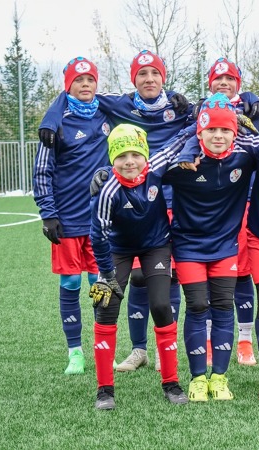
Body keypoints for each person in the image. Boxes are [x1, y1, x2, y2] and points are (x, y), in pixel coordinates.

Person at [40, 50, 192, 373]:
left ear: (163, 77)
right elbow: (73, 95)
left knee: (169, 279)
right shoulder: (118, 106)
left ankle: (166, 351)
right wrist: (50, 117)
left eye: (155, 73)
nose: (149, 79)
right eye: (142, 74)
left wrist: (191, 105)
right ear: (133, 79)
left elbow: (207, 119)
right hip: (118, 204)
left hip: (170, 203)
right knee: (127, 279)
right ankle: (133, 350)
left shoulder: (177, 107)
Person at [157, 93, 256, 401]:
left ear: (234, 133)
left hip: (225, 247)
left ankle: (220, 378)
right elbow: (149, 167)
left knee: (224, 306)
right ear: (200, 132)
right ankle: (198, 378)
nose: (218, 135)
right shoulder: (182, 164)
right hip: (188, 247)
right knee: (198, 306)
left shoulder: (244, 159)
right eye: (211, 129)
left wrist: (243, 126)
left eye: (225, 130)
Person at [88, 123, 188, 410]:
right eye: (121, 156)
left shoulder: (156, 167)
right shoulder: (108, 191)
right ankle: (104, 390)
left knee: (161, 305)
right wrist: (106, 275)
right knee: (105, 306)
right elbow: (98, 236)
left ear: (145, 155)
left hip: (156, 245)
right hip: (118, 250)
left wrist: (202, 115)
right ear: (112, 160)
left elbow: (181, 139)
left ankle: (171, 383)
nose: (129, 161)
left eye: (135, 154)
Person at [33, 56, 109, 375]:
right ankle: (75, 352)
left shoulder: (107, 112)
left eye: (90, 79)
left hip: (100, 220)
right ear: (68, 86)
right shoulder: (56, 124)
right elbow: (41, 170)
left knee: (99, 283)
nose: (85, 84)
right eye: (78, 80)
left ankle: (102, 347)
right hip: (66, 219)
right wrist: (48, 213)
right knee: (71, 282)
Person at [203, 57, 259, 367]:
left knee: (242, 273)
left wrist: (251, 100)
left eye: (230, 79)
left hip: (244, 201)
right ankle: (209, 340)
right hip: (207, 203)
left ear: (238, 84)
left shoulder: (252, 109)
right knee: (209, 274)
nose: (223, 83)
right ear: (210, 83)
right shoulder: (199, 110)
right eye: (218, 78)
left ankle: (245, 340)